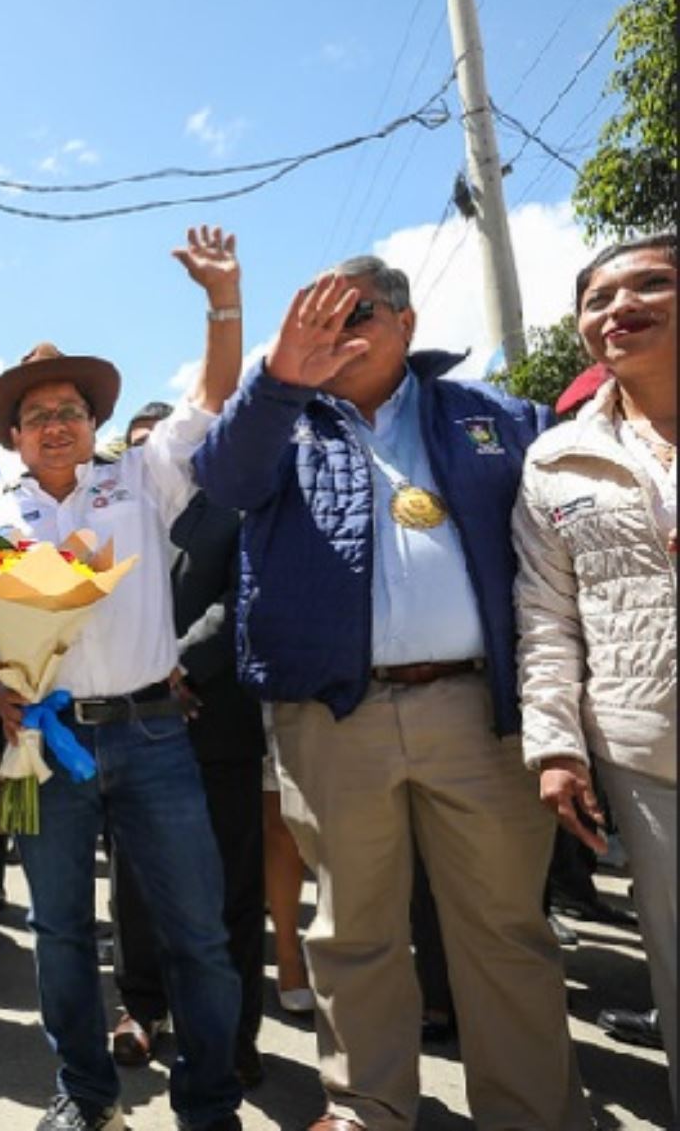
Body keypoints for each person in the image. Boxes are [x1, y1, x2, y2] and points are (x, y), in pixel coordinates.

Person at [191, 254, 588, 1130]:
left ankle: (531, 1112)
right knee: (352, 928)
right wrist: (276, 380)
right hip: (333, 712)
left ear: (407, 324)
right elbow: (220, 482)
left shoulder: (498, 418)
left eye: (359, 311)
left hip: (476, 710)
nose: (339, 328)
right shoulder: (282, 420)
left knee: (503, 931)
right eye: (320, 314)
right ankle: (367, 1104)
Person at [0, 225, 246, 1131]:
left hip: (155, 734)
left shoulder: (141, 478)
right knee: (60, 935)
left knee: (197, 932)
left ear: (96, 422)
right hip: (43, 741)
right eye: (36, 412)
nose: (55, 423)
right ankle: (86, 1096)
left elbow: (213, 396)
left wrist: (222, 302)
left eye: (71, 409)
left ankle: (208, 1104)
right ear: (13, 432)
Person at [514, 232, 676, 1112]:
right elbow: (546, 617)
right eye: (599, 299)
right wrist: (557, 746)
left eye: (651, 284)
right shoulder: (557, 457)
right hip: (649, 755)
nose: (621, 308)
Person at [109, 474, 269, 1091]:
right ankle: (142, 1008)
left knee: (229, 887)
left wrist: (174, 666)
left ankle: (231, 1037)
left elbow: (244, 599)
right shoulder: (122, 513)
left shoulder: (237, 505)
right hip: (130, 722)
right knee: (136, 881)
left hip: (213, 718)